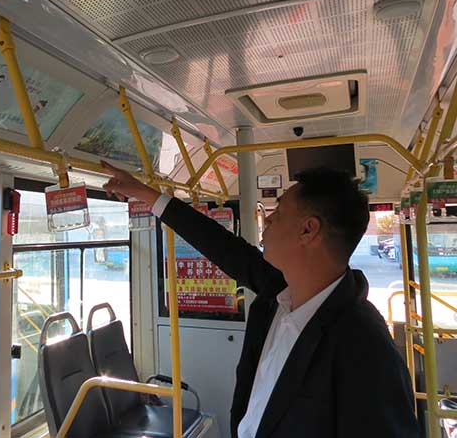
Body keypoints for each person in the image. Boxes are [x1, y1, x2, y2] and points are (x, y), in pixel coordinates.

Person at [101, 161, 418, 437]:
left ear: (308, 230)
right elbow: (218, 243)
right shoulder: (278, 293)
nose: (267, 221)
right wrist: (143, 193)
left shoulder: (364, 345)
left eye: (278, 213)